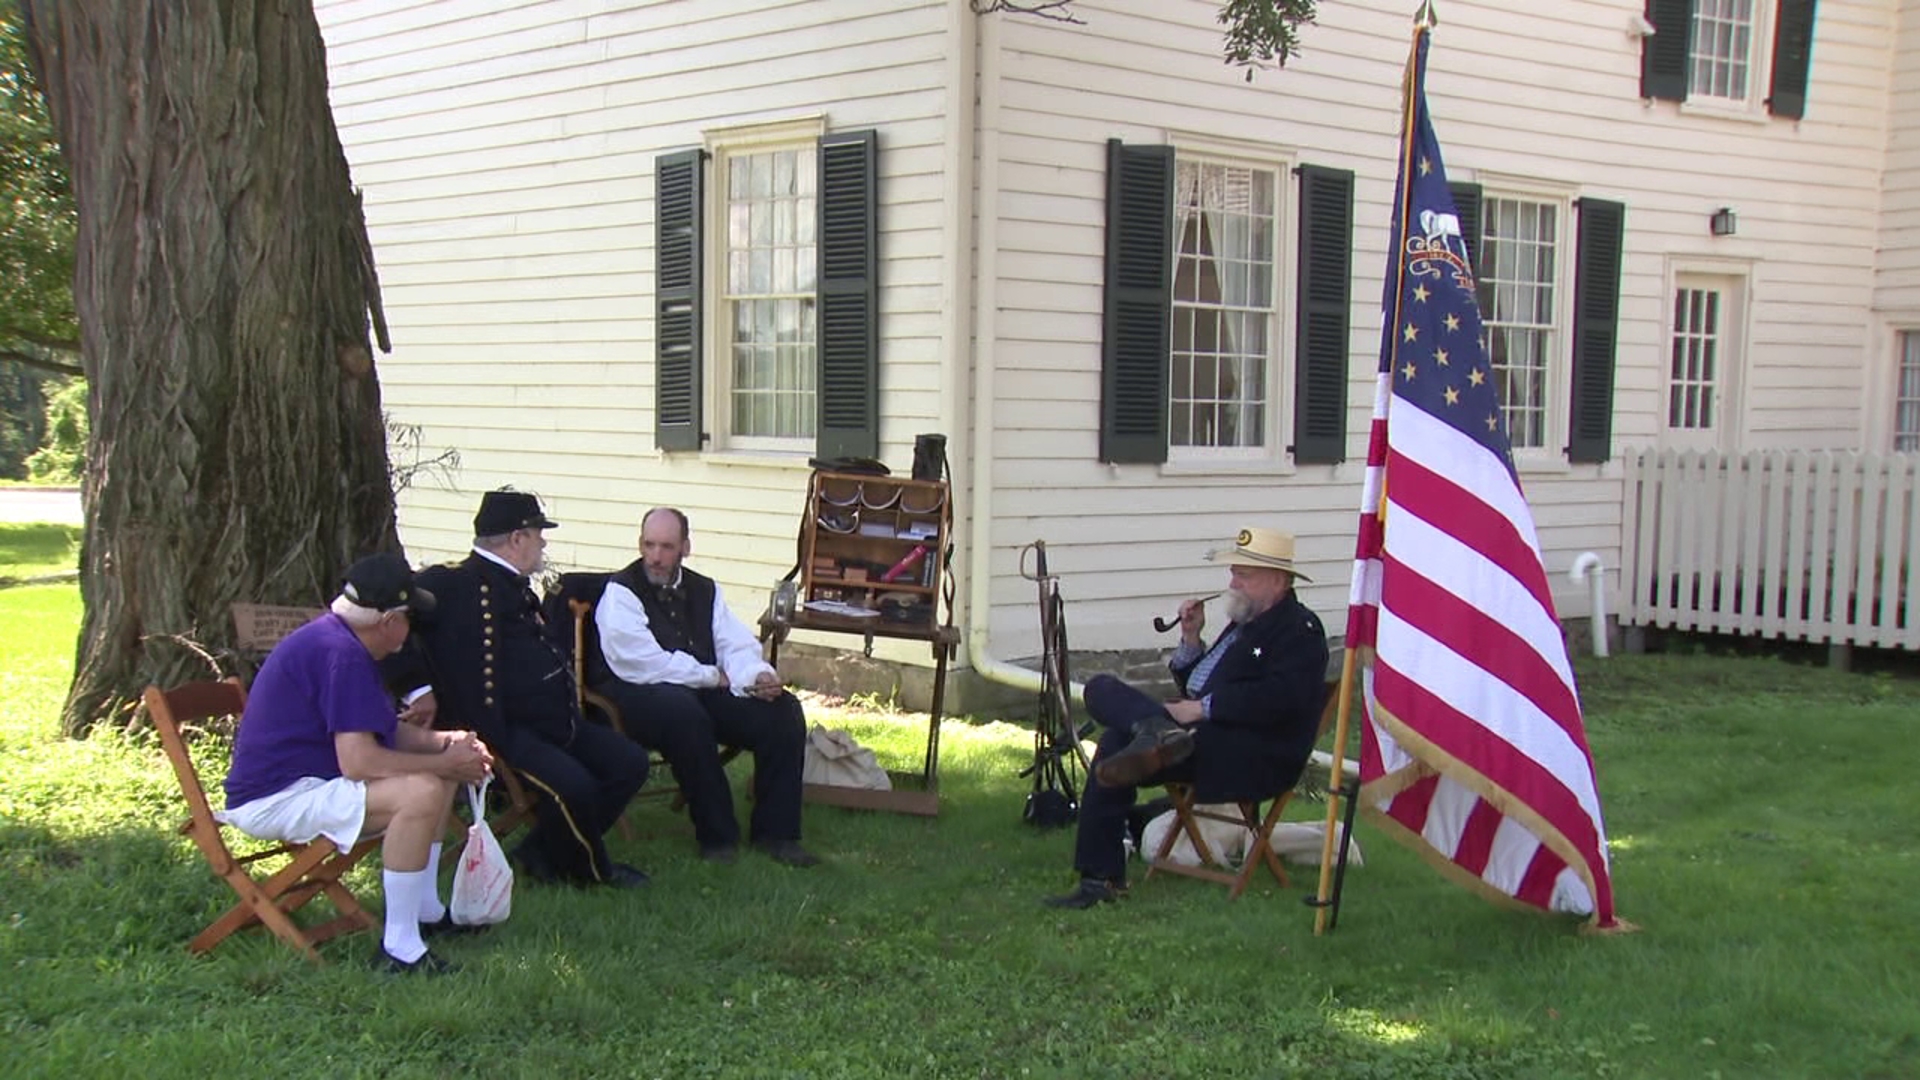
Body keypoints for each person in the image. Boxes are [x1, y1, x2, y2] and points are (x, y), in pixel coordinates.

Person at [219, 554, 493, 974]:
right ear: (388, 621)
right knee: (421, 790)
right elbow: (359, 761)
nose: (412, 630)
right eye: (411, 619)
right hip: (276, 797)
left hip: (302, 782)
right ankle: (400, 949)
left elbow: (380, 731)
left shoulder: (341, 643)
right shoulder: (342, 655)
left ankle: (424, 911)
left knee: (433, 777)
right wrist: (445, 765)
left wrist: (444, 743)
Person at [1044, 527, 1330, 909]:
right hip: (1207, 736)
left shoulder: (1299, 630)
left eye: (1244, 575)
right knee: (1102, 697)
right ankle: (1101, 880)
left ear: (1277, 580)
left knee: (1116, 733)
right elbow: (1202, 684)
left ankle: (1157, 731)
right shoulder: (1247, 621)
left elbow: (1281, 698)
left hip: (1253, 752)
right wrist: (1191, 639)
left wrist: (1201, 709)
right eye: (1233, 573)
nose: (1233, 583)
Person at [400, 489, 652, 889]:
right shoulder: (449, 582)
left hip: (556, 722)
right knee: (576, 786)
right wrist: (417, 689)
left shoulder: (516, 585)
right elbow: (385, 624)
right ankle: (591, 871)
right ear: (517, 539)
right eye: (538, 534)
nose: (543, 542)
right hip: (502, 728)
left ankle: (540, 853)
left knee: (630, 763)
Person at [591, 507, 819, 867]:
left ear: (686, 547)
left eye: (666, 546)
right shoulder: (621, 592)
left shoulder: (705, 589)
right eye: (649, 545)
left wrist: (755, 675)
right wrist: (713, 677)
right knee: (684, 715)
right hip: (636, 693)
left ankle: (777, 834)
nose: (656, 556)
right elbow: (643, 662)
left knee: (783, 711)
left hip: (696, 689)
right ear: (639, 544)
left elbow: (734, 644)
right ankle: (718, 838)